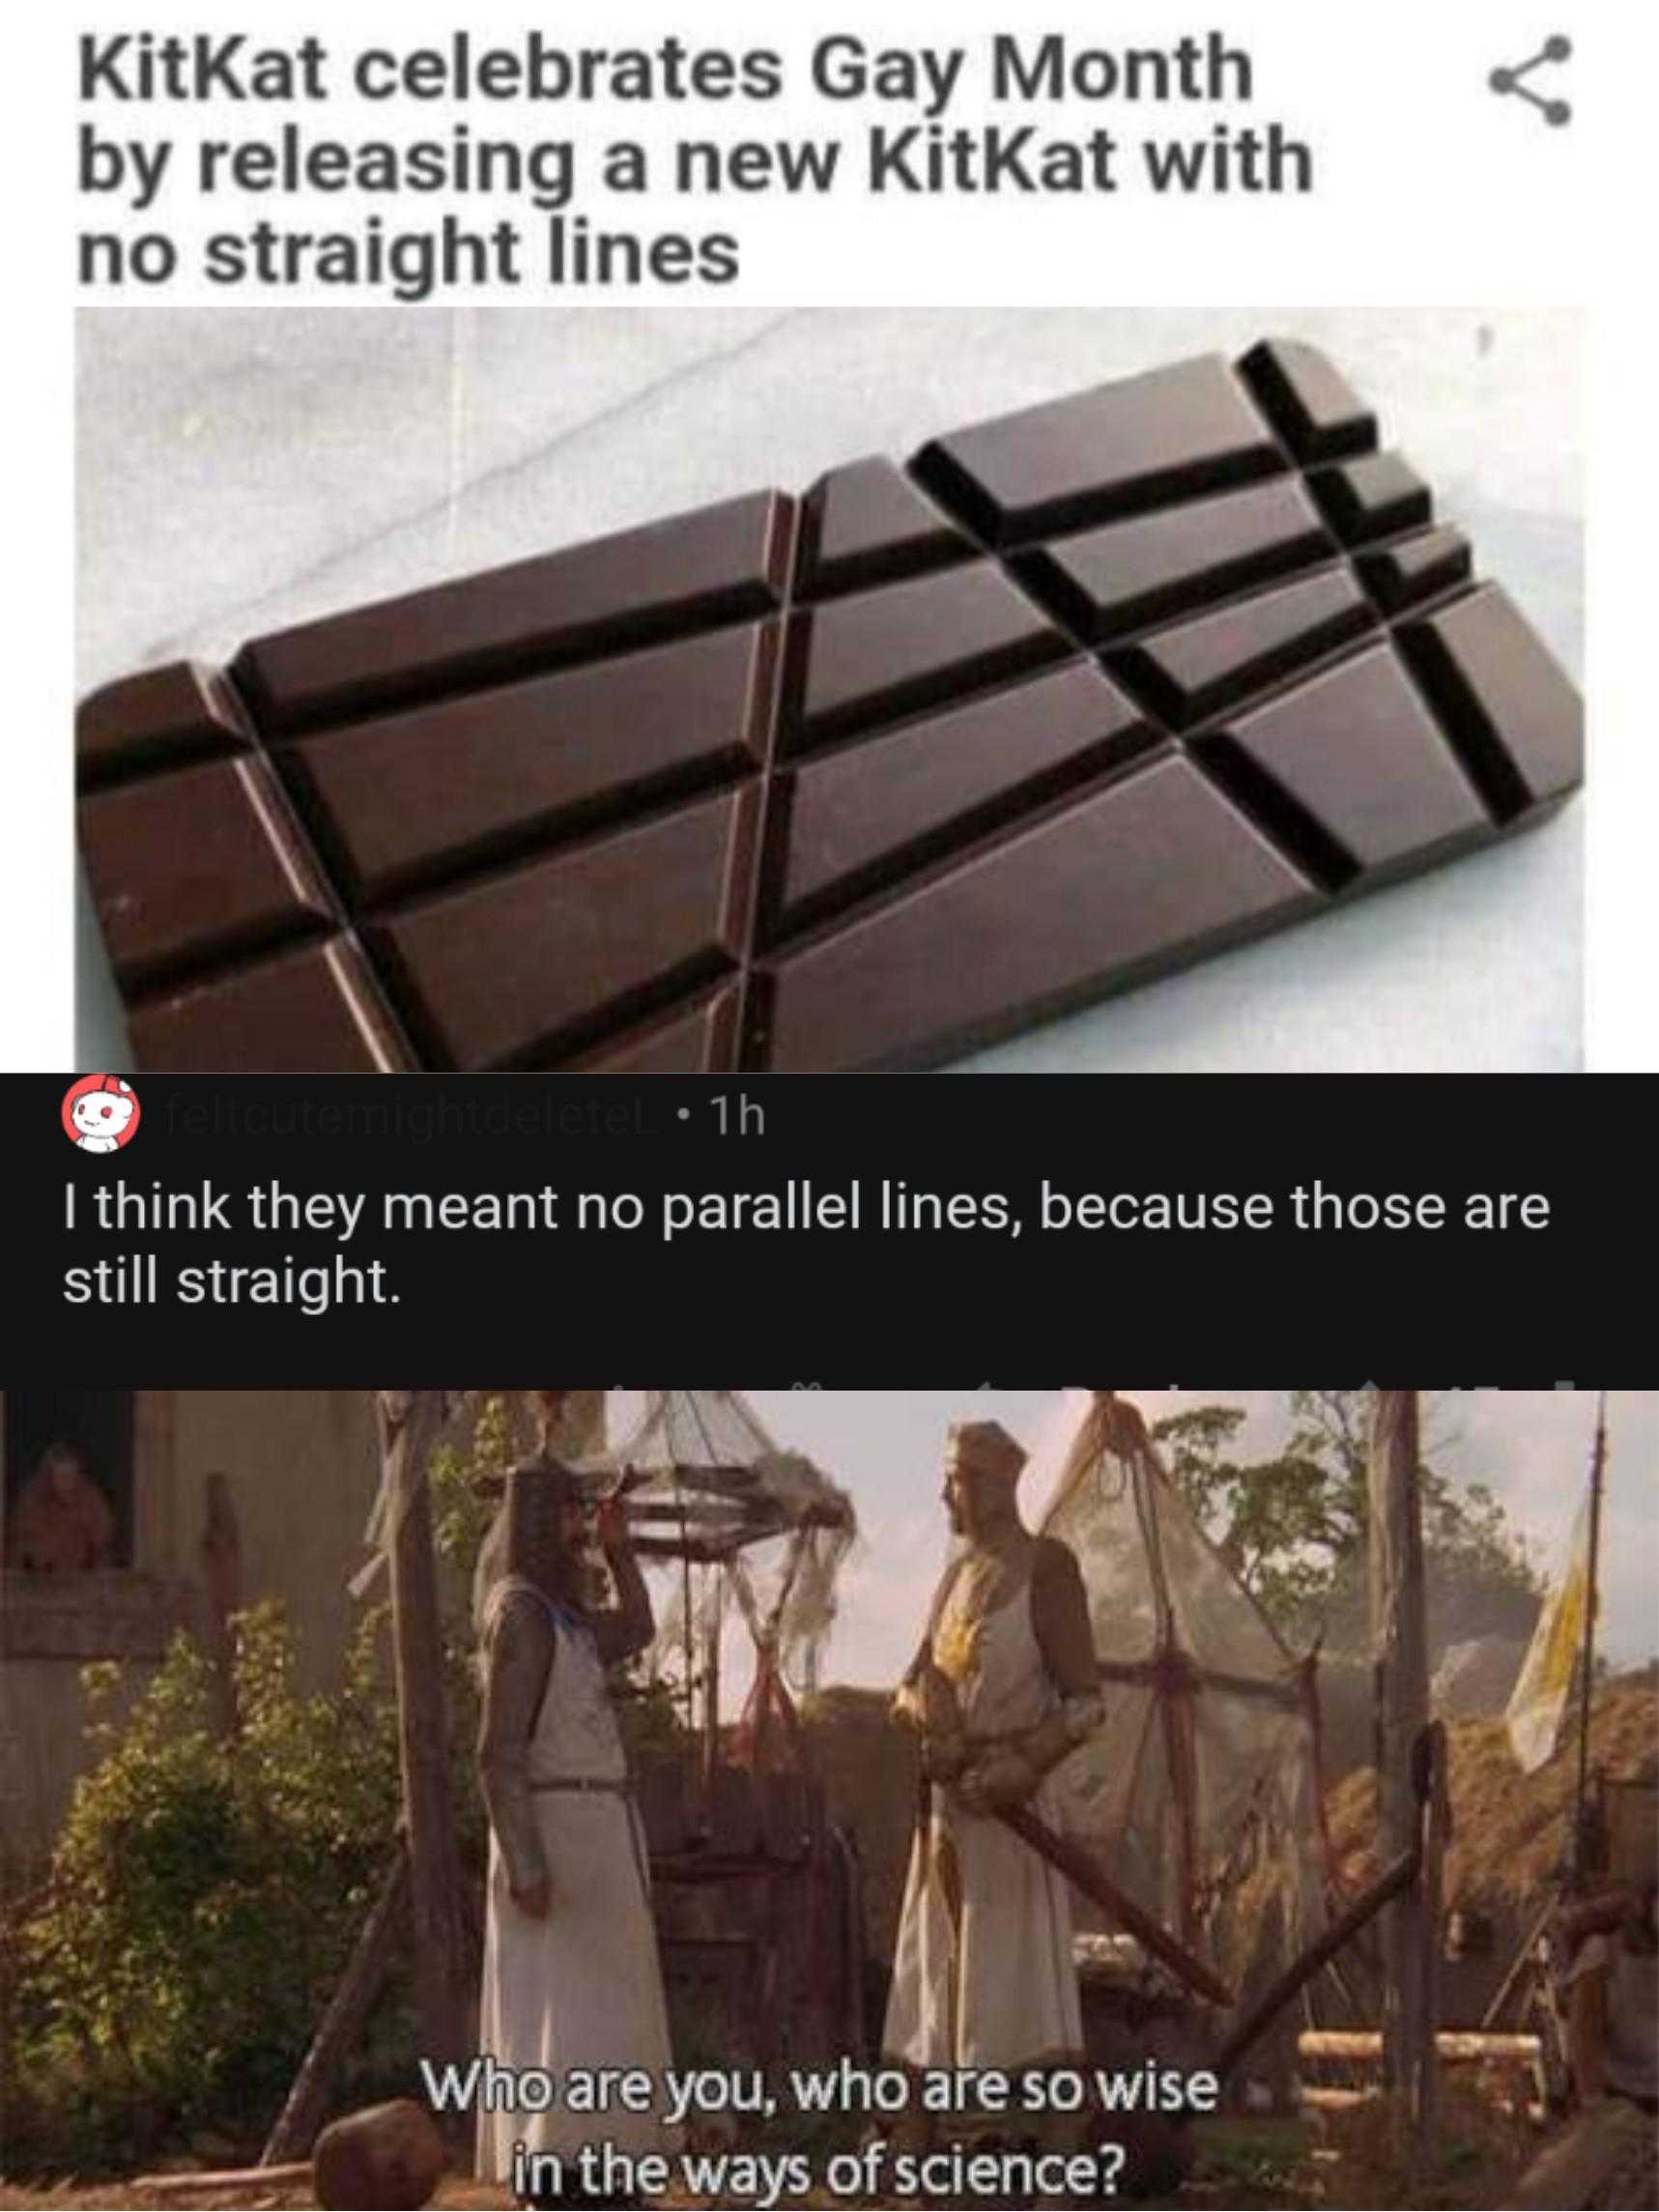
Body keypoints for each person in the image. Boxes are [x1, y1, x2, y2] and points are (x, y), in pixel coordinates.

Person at [474, 1393, 674, 2206]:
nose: (576, 1528)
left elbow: (639, 1625)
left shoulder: (570, 1619)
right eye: (567, 1516)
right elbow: (498, 1753)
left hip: (600, 1842)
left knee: (609, 2020)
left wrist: (620, 1551)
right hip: (551, 1840)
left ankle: (610, 2168)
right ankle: (558, 2178)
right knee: (557, 2027)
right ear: (533, 1520)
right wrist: (525, 1860)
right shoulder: (520, 1614)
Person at [883, 1418, 1103, 2086]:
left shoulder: (1048, 1567)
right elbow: (910, 1683)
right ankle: (924, 2153)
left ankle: (1054, 2176)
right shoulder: (954, 1578)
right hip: (948, 1818)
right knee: (933, 1980)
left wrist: (1023, 1766)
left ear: (997, 1482)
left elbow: (1085, 1704)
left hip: (1016, 1823)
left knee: (1024, 1999)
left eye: (956, 1478)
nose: (946, 1495)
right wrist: (928, 1716)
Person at [8, 1438, 118, 1572]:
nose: (66, 1482)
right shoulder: (33, 1500)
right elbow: (23, 1543)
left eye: (71, 1476)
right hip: (42, 1580)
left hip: (83, 1578)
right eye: (61, 1476)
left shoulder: (91, 1499)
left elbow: (104, 1539)